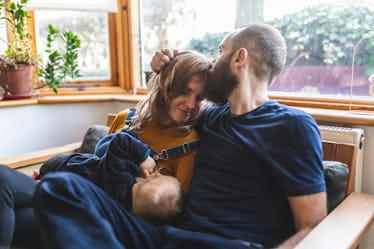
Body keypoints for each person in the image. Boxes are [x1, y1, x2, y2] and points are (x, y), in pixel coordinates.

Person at [33, 24, 327, 249]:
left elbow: (313, 227)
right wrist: (164, 69)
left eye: (220, 52)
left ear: (239, 58)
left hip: (230, 244)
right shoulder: (209, 118)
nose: (213, 62)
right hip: (170, 236)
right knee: (60, 187)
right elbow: (151, 118)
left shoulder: (292, 125)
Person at [0, 50, 209, 249]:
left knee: (10, 194)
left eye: (199, 98)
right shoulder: (128, 118)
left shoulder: (188, 149)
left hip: (99, 221)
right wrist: (58, 173)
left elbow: (173, 216)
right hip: (74, 191)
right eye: (184, 91)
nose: (191, 104)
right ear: (167, 86)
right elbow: (98, 166)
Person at [39, 131, 183, 224]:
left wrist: (144, 158)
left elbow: (121, 140)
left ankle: (40, 175)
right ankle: (40, 176)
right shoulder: (122, 214)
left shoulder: (119, 176)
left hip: (63, 165)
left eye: (160, 175)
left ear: (149, 177)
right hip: (64, 185)